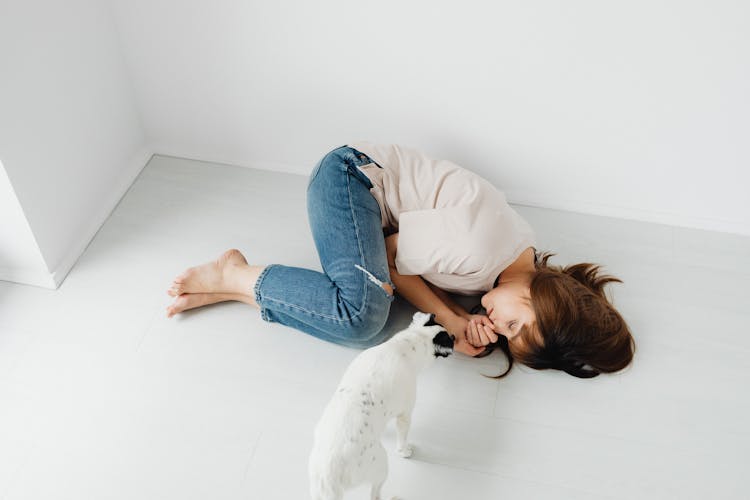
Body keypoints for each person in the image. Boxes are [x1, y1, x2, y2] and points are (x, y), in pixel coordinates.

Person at [166, 142, 634, 378]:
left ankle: (234, 286)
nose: (497, 325)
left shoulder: (515, 259)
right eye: (513, 326)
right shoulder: (478, 249)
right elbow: (391, 259)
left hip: (375, 203)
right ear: (541, 294)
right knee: (362, 318)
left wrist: (466, 322)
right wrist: (452, 319)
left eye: (505, 336)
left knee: (370, 317)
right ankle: (234, 274)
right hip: (349, 181)